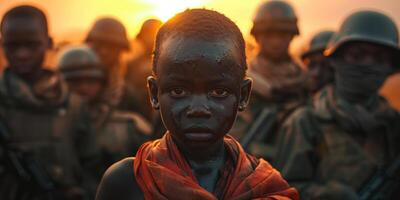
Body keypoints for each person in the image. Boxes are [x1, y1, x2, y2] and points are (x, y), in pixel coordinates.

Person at [96, 9, 298, 200]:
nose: (198, 109)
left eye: (218, 92)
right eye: (178, 91)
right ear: (154, 93)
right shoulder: (127, 182)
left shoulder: (264, 186)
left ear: (243, 95)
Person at [274, 10, 400, 199]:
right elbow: (281, 191)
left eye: (380, 58)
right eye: (357, 55)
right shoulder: (304, 122)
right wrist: (324, 195)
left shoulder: (394, 124)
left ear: (391, 68)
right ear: (335, 60)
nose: (368, 64)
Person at [0, 5, 99, 199]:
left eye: (31, 44)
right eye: (13, 46)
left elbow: (92, 166)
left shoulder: (73, 104)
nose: (22, 54)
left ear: (49, 43)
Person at [234, 0, 308, 162]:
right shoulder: (241, 78)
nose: (275, 41)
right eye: (268, 34)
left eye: (282, 34)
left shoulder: (306, 80)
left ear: (291, 36)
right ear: (257, 36)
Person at [58, 46, 151, 171]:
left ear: (102, 83)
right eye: (75, 82)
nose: (83, 88)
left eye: (91, 81)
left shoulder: (129, 127)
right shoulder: (47, 122)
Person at [122, 19, 162, 120]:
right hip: (137, 116)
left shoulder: (169, 64)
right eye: (146, 35)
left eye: (151, 34)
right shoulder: (132, 65)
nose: (149, 39)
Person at [85, 17, 130, 108]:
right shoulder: (73, 83)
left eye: (111, 46)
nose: (104, 51)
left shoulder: (126, 96)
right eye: (99, 44)